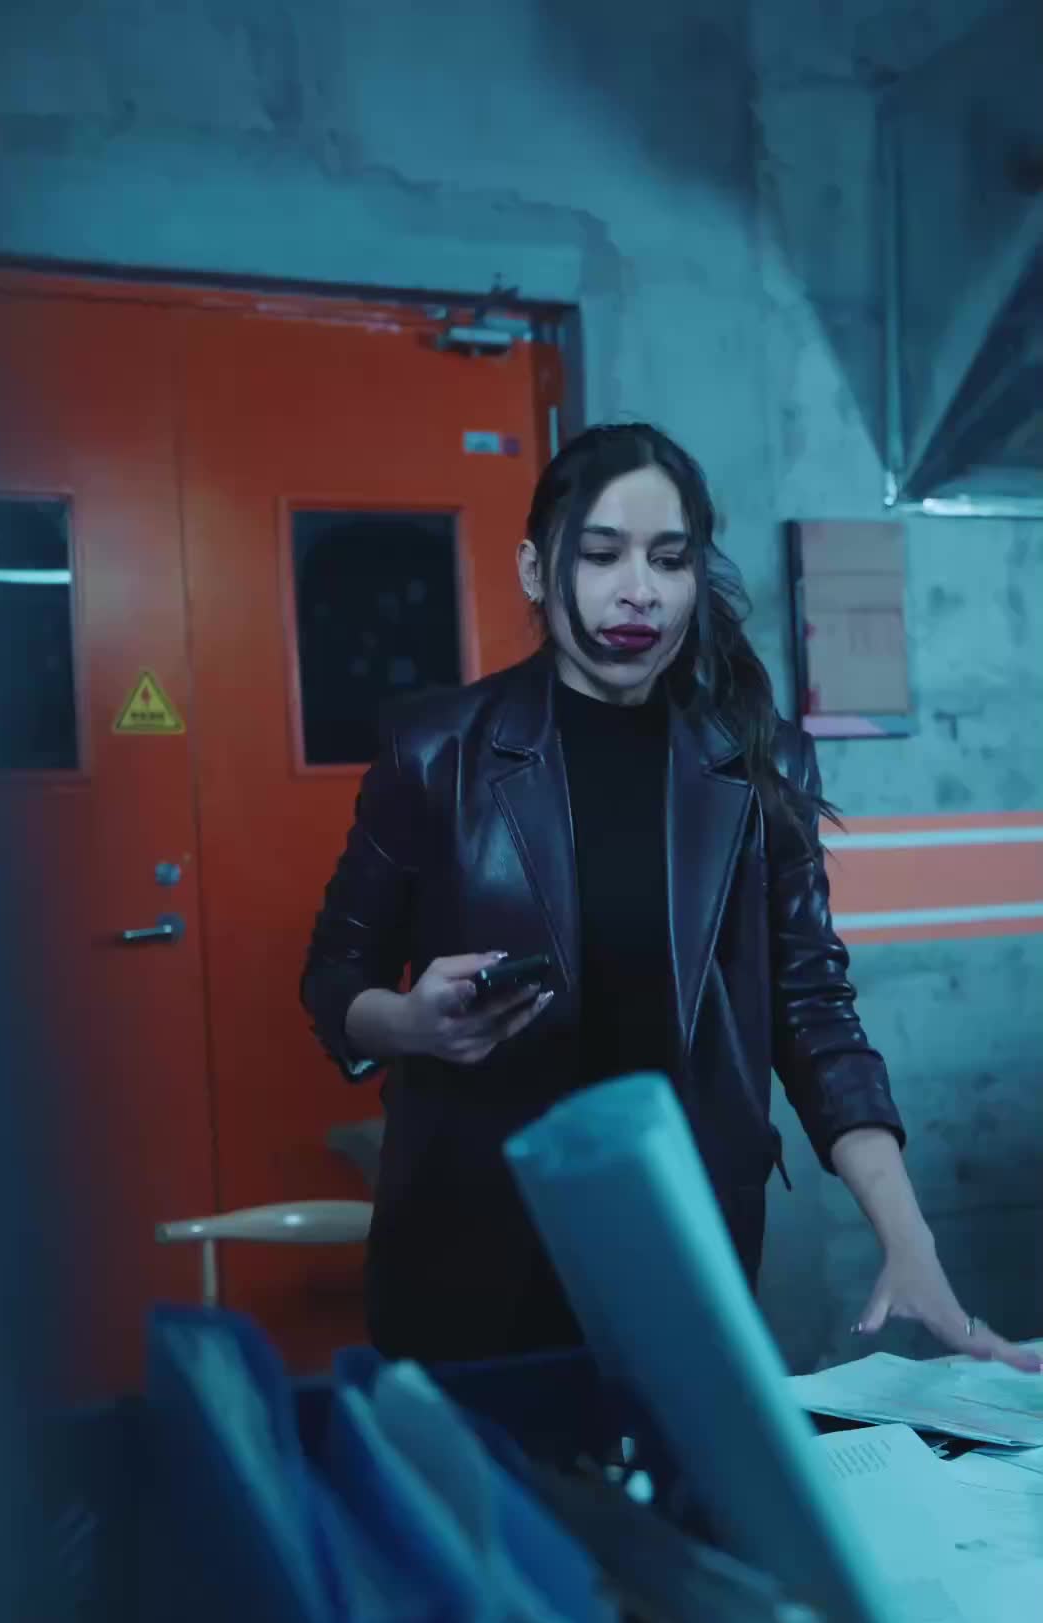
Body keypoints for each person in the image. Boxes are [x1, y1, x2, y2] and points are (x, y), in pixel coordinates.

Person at [301, 423, 1038, 1375]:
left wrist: (909, 1241)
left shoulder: (759, 761)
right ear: (534, 570)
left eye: (668, 559)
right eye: (600, 554)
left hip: (688, 1246)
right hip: (468, 1251)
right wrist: (411, 1024)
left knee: (682, 1471)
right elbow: (334, 978)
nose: (638, 590)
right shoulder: (435, 751)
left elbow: (814, 1011)